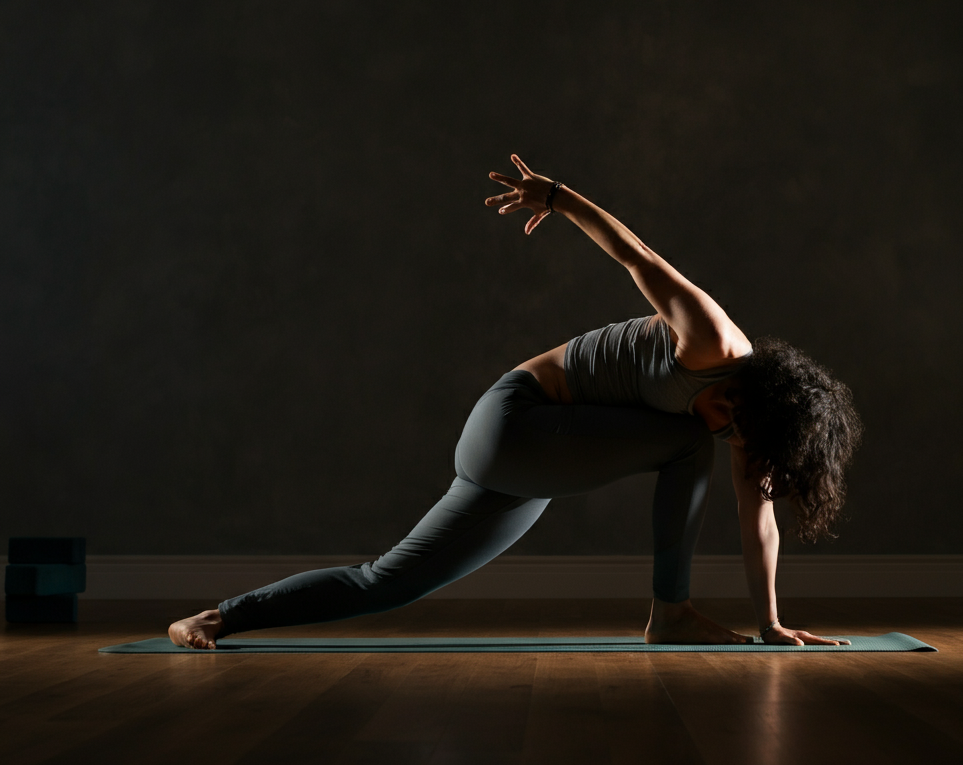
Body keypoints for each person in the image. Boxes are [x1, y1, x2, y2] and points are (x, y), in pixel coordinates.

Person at [169, 155, 862, 650]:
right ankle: (671, 613)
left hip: (530, 461)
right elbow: (637, 255)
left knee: (386, 582)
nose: (725, 433)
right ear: (746, 387)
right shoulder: (711, 339)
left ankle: (215, 618)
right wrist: (557, 197)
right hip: (516, 421)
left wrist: (770, 621)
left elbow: (756, 521)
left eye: (738, 435)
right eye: (730, 420)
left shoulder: (751, 419)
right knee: (680, 443)